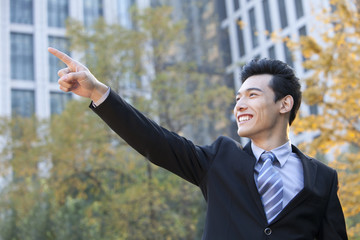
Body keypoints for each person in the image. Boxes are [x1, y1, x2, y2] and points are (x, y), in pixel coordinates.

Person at [48, 47, 348, 239]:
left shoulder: (322, 178)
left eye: (252, 95)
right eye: (238, 98)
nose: (240, 105)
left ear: (285, 104)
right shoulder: (220, 159)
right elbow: (155, 140)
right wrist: (99, 92)